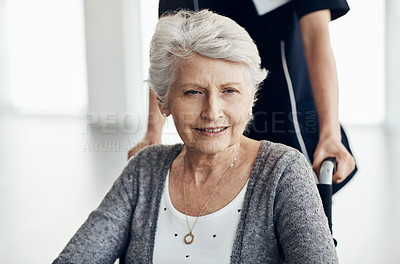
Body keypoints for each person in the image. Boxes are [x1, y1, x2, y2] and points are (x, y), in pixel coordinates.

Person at [53, 10, 338, 263]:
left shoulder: (283, 171)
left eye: (229, 91)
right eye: (193, 92)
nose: (212, 112)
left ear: (251, 96)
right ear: (163, 101)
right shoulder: (144, 170)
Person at [128, 0, 357, 194]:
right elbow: (166, 54)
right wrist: (152, 132)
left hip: (288, 114)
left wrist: (330, 135)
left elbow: (317, 40)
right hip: (215, 119)